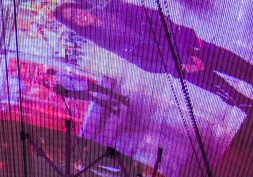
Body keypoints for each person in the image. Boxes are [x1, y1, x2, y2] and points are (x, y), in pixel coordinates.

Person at [53, 1, 253, 109]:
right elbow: (144, 62)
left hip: (188, 44)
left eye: (74, 11)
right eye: (73, 19)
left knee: (241, 68)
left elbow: (158, 18)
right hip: (181, 67)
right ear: (76, 26)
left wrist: (183, 52)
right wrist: (179, 63)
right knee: (229, 95)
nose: (78, 16)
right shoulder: (106, 41)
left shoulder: (114, 7)